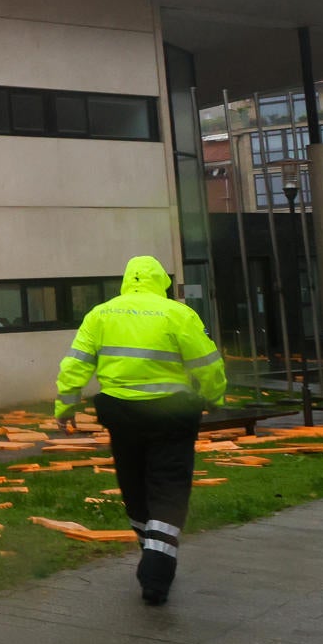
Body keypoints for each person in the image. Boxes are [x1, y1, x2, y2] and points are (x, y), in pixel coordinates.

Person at [53, 255, 227, 606]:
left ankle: (151, 549)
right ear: (161, 282)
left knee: (133, 486)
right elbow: (207, 364)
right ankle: (156, 571)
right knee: (168, 487)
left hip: (122, 416)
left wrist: (65, 406)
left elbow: (75, 365)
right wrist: (214, 397)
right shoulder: (178, 314)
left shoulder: (100, 314)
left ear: (126, 280)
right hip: (171, 416)